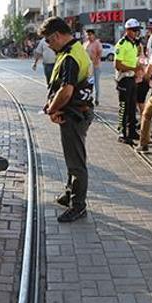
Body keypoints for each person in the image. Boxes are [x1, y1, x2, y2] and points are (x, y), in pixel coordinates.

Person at [40, 17, 94, 223]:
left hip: (74, 114)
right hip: (75, 111)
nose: (48, 45)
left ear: (57, 36)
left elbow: (66, 90)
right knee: (72, 158)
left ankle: (78, 205)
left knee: (76, 162)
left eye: (49, 40)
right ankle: (69, 192)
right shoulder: (75, 50)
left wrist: (51, 108)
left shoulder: (70, 56)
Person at [114, 18, 141, 144]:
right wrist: (133, 68)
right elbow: (118, 65)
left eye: (137, 30)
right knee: (123, 107)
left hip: (132, 78)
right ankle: (122, 132)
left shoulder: (134, 43)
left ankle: (132, 131)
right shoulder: (121, 44)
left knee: (132, 107)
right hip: (124, 78)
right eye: (134, 30)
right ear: (127, 30)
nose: (136, 32)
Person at [83, 30, 103, 106]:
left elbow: (100, 53)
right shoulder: (85, 44)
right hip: (87, 67)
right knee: (88, 83)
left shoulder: (97, 43)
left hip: (95, 66)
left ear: (94, 35)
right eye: (87, 35)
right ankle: (88, 98)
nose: (89, 36)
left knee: (96, 83)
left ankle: (97, 99)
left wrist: (95, 61)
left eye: (90, 34)